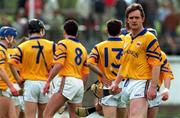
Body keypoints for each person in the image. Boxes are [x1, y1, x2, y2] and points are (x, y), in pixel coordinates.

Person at [111, 3, 162, 118]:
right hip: (127, 83)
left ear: (143, 19)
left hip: (141, 82)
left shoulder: (149, 38)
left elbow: (156, 65)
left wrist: (153, 87)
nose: (134, 20)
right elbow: (124, 64)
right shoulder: (127, 38)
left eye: (137, 18)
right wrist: (116, 82)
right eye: (131, 18)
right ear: (127, 20)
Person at [77, 19, 126, 118]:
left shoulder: (99, 46)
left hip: (107, 84)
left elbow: (89, 63)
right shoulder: (127, 45)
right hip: (124, 86)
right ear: (120, 31)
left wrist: (102, 75)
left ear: (106, 30)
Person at [9, 19, 55, 118]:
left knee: (30, 116)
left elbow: (11, 63)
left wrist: (18, 79)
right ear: (41, 30)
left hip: (29, 84)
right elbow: (57, 64)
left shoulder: (22, 46)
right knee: (44, 116)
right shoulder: (52, 45)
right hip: (45, 83)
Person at [43, 20, 89, 118]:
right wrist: (80, 88)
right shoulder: (83, 48)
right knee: (75, 116)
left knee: (47, 114)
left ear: (64, 31)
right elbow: (86, 74)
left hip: (67, 81)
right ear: (77, 33)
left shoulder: (63, 43)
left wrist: (48, 81)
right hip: (79, 83)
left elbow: (59, 64)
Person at [0, 26, 20, 118]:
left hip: (5, 88)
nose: (14, 41)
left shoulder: (3, 50)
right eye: (13, 37)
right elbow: (1, 70)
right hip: (2, 88)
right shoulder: (1, 50)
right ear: (8, 37)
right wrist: (11, 87)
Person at [148, 51, 174, 118]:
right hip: (137, 88)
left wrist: (166, 89)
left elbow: (167, 73)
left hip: (154, 91)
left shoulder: (161, 55)